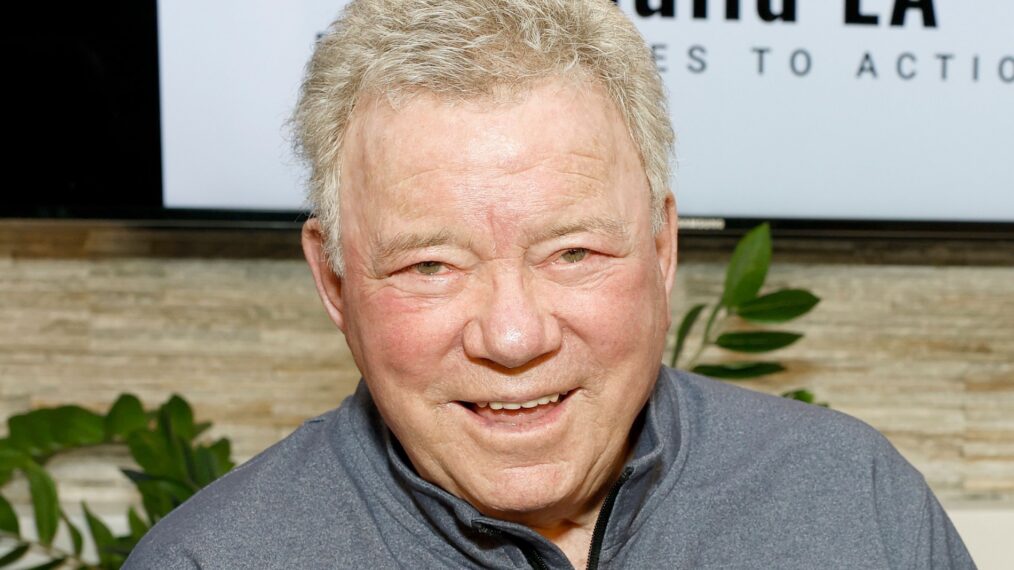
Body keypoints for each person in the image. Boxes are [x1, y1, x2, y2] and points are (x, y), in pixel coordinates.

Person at [125, 0, 974, 568]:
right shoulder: (207, 562)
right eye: (431, 265)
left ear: (662, 246)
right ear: (335, 280)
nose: (513, 336)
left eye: (573, 253)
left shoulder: (854, 498)